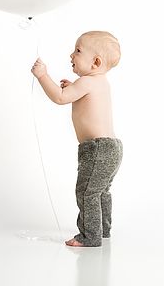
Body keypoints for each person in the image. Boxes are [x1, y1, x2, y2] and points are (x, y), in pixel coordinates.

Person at [31, 31, 123, 247]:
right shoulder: (99, 82)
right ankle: (103, 228)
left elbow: (60, 97)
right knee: (101, 191)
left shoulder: (86, 82)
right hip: (113, 148)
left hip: (97, 149)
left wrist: (43, 75)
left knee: (86, 191)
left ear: (96, 62)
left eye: (78, 51)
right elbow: (78, 96)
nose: (71, 55)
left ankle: (90, 236)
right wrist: (72, 86)